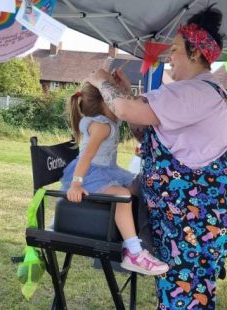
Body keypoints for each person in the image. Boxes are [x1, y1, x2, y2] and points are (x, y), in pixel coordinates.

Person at [86, 4, 227, 309]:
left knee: (184, 299)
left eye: (175, 49)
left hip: (194, 222)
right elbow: (144, 128)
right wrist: (126, 93)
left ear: (194, 53)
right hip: (191, 219)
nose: (169, 57)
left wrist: (100, 79)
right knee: (187, 294)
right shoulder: (203, 93)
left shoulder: (194, 93)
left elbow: (125, 110)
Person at [60, 82, 169, 276]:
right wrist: (76, 183)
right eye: (115, 97)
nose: (120, 102)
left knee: (142, 186)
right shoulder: (101, 126)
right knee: (122, 196)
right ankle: (134, 252)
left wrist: (120, 84)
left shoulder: (110, 121)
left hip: (108, 171)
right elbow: (86, 157)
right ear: (105, 102)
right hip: (89, 175)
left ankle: (148, 238)